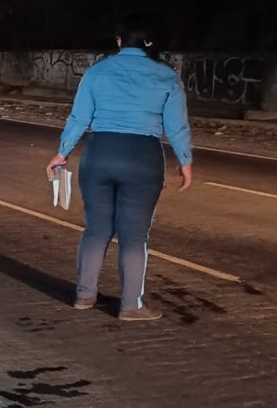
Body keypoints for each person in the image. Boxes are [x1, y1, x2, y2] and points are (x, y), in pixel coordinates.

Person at [45, 23, 193, 322]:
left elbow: (80, 117)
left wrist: (62, 153)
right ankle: (130, 305)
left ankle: (85, 295)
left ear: (118, 41)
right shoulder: (166, 75)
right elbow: (176, 125)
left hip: (99, 154)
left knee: (96, 230)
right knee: (134, 236)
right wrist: (185, 161)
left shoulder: (97, 72)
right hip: (143, 158)